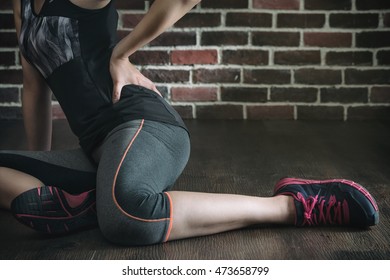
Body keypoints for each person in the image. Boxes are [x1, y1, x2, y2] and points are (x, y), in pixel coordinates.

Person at [0, 0, 379, 246]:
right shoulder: (24, 5)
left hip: (143, 125)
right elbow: (34, 88)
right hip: (97, 148)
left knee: (126, 218)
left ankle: (292, 205)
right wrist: (42, 170)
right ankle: (90, 202)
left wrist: (122, 53)